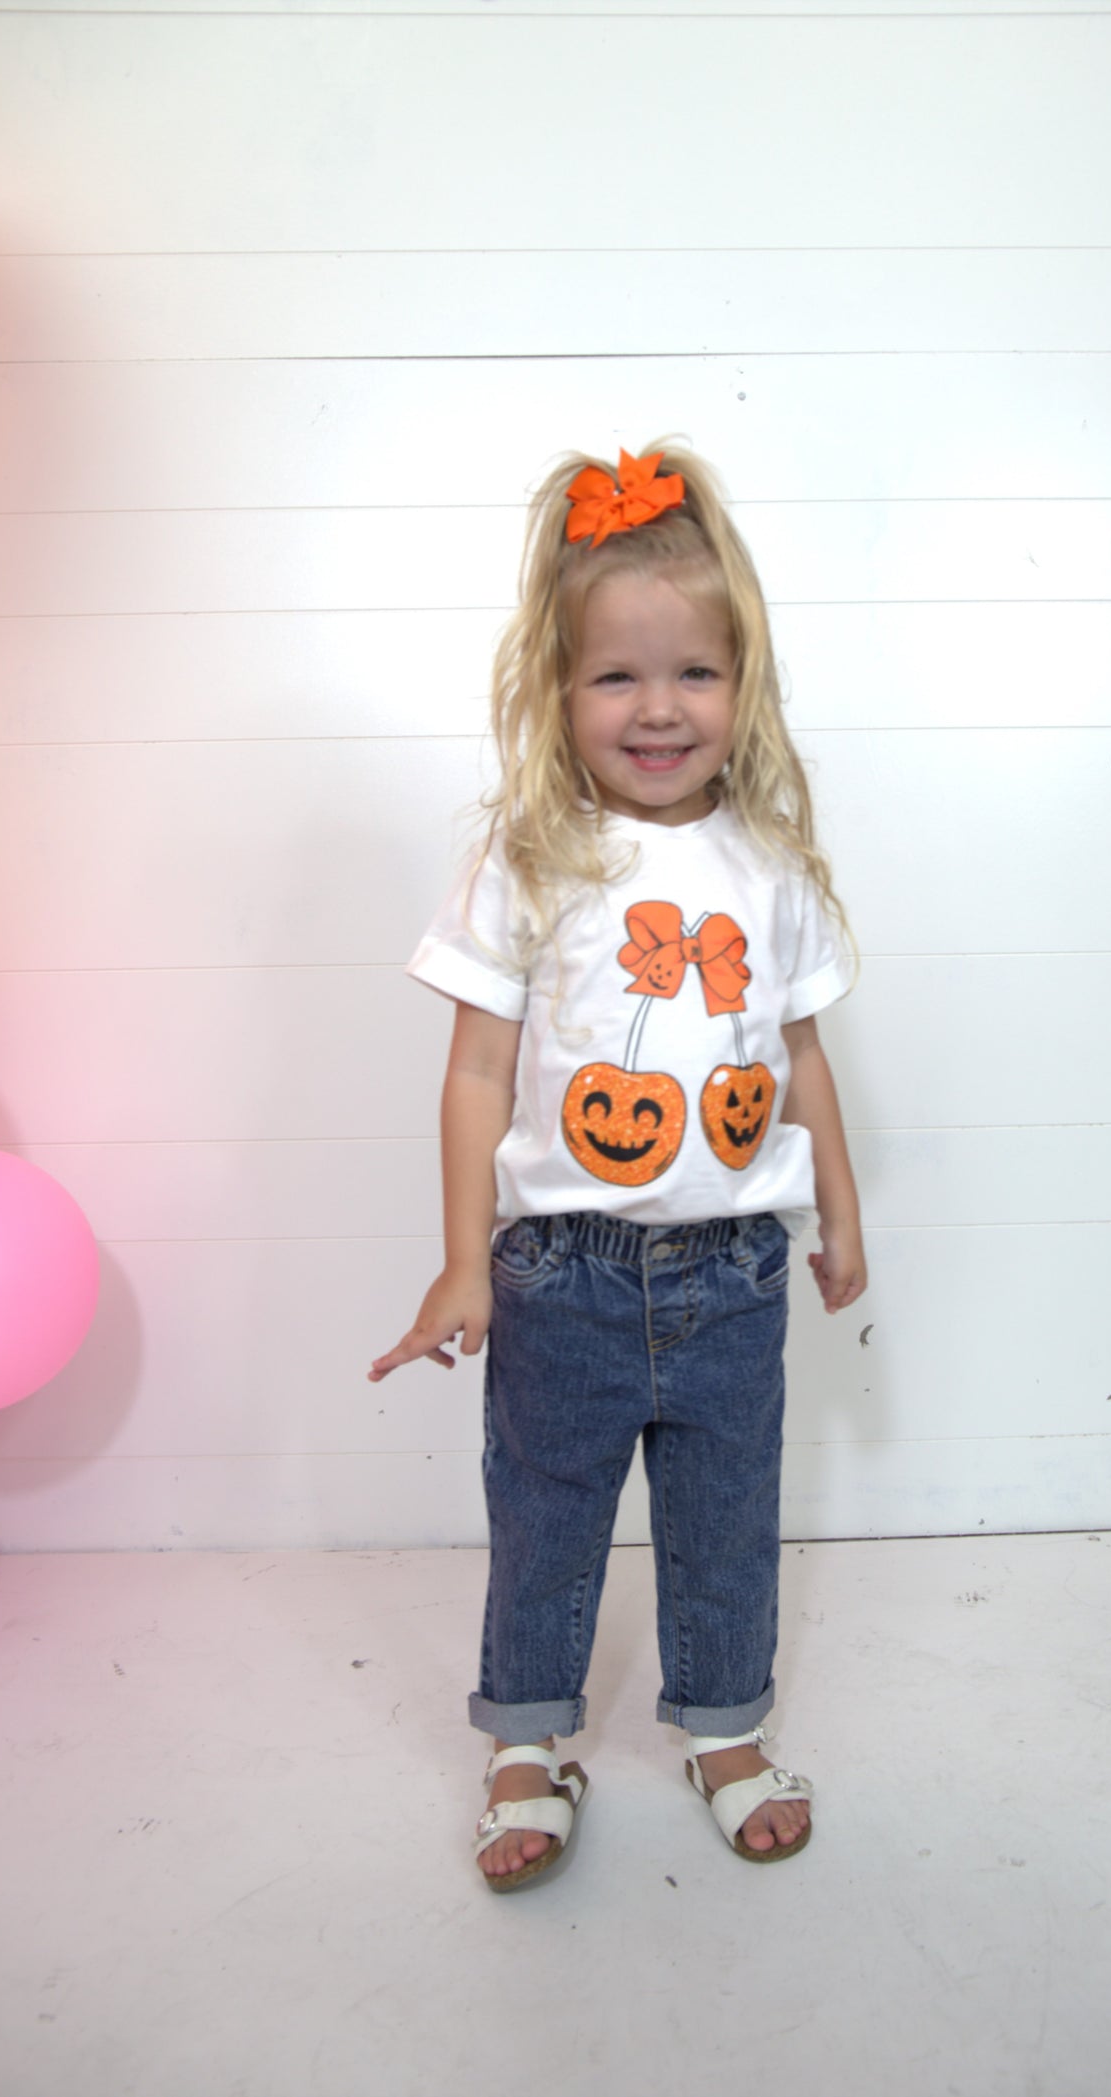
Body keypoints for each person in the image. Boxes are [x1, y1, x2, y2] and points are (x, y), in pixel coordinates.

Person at [370, 442, 866, 1891]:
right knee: (546, 1514)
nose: (659, 709)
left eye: (695, 674)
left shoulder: (771, 866)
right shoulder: (534, 856)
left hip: (734, 1267)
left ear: (743, 683)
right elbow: (474, 1072)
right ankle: (529, 1737)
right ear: (558, 689)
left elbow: (806, 1059)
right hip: (563, 1272)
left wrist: (835, 1207)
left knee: (726, 1509)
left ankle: (722, 1724)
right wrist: (466, 1255)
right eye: (617, 679)